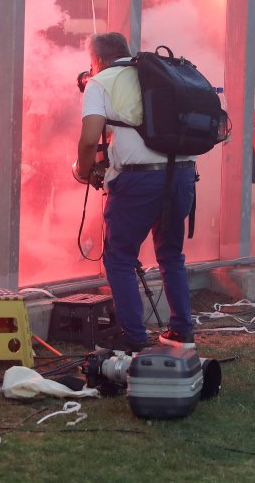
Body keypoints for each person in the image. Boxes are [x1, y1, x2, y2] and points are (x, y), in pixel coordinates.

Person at [74, 32, 197, 352]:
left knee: (119, 258)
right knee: (171, 254)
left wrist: (84, 171)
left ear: (97, 60)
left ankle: (134, 337)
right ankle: (182, 331)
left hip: (137, 181)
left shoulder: (100, 82)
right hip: (182, 175)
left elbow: (89, 139)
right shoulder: (160, 75)